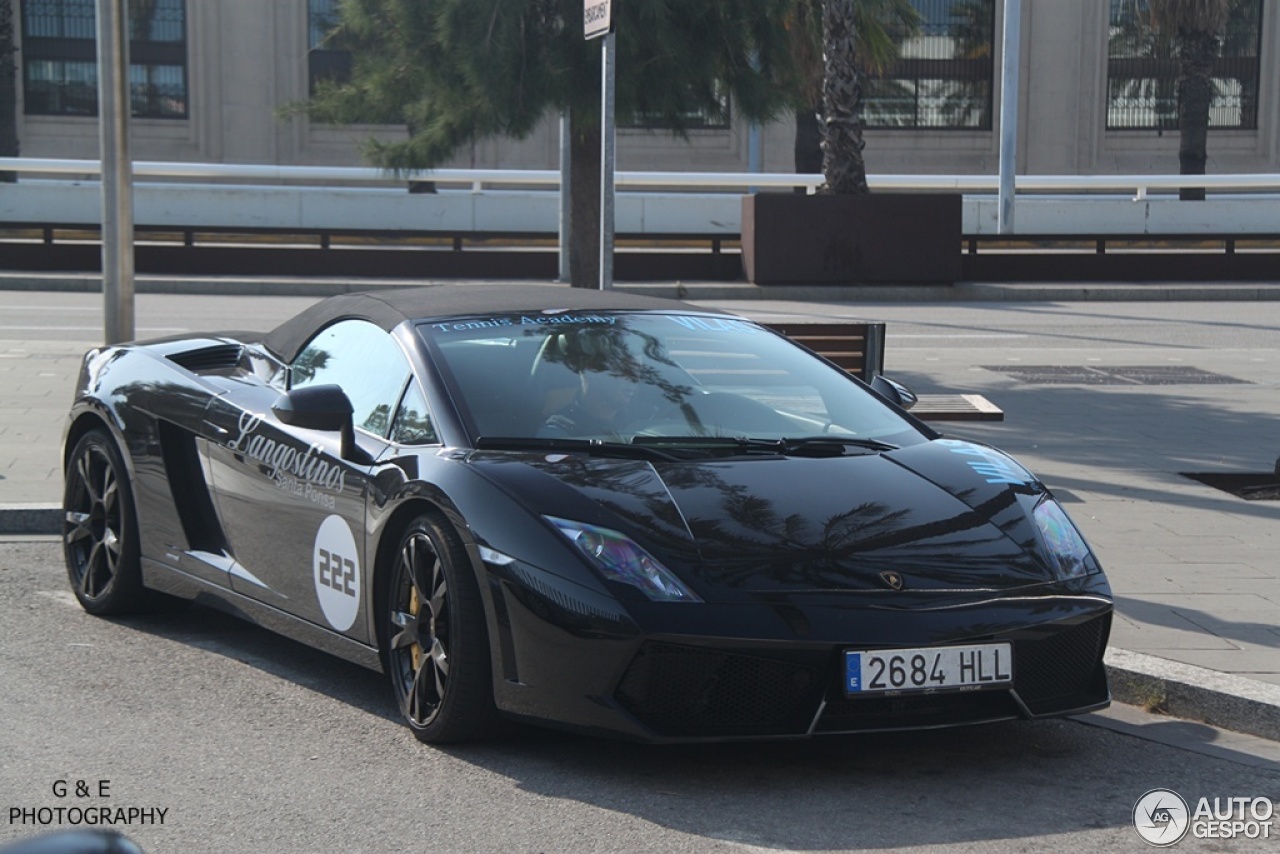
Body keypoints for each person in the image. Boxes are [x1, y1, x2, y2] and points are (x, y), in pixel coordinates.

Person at [538, 367, 636, 439]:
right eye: (625, 372)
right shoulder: (558, 434)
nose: (634, 381)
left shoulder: (643, 418)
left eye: (637, 373)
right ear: (591, 373)